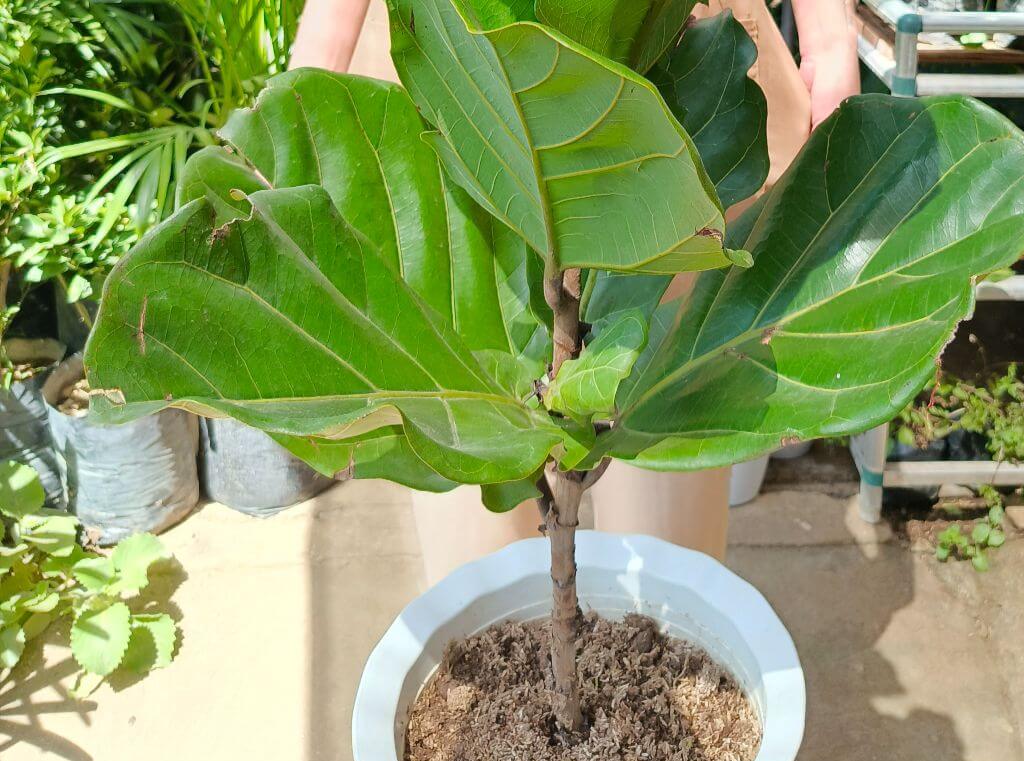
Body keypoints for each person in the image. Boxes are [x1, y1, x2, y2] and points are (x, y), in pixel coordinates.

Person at [289, 0, 860, 584]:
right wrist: (317, 61)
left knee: (667, 557)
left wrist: (829, 34)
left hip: (669, 53)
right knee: (480, 561)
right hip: (462, 64)